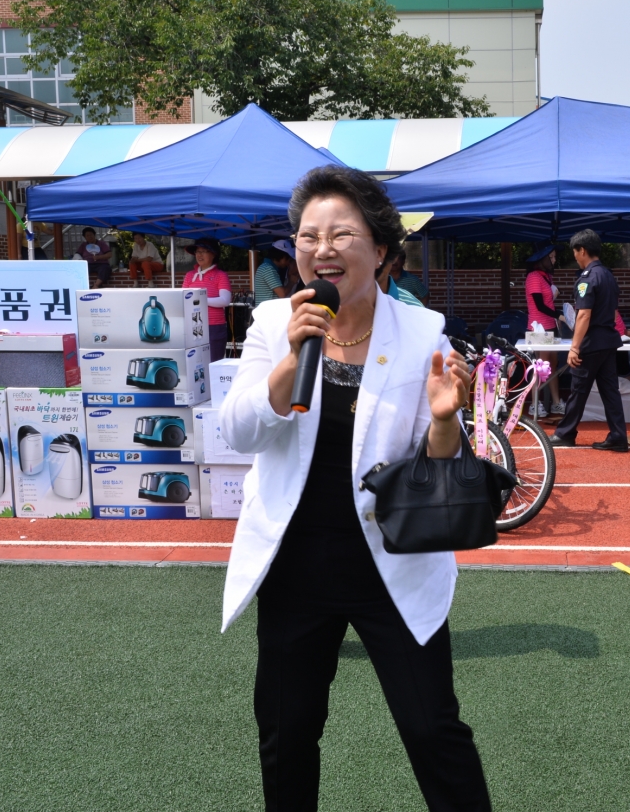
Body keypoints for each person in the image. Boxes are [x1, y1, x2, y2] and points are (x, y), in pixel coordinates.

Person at [218, 165, 491, 812]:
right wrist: (290, 357)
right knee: (287, 732)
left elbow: (439, 465)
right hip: (294, 566)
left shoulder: (421, 332)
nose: (322, 249)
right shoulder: (270, 324)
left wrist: (448, 416)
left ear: (382, 248)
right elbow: (237, 431)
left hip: (391, 561)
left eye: (341, 233)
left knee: (433, 728)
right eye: (308, 235)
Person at [549, 229, 628, 452]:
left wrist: (574, 347)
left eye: (575, 252)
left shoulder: (587, 278)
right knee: (610, 391)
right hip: (608, 341)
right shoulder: (607, 275)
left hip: (591, 342)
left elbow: (583, 314)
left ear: (582, 250)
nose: (575, 257)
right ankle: (618, 436)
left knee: (579, 389)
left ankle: (565, 433)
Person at [524, 244, 565, 418]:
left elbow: (547, 302)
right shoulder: (534, 277)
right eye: (552, 257)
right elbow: (539, 305)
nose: (554, 260)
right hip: (538, 327)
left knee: (552, 365)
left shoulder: (546, 277)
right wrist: (560, 316)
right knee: (541, 367)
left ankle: (556, 403)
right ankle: (534, 403)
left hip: (550, 326)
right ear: (543, 259)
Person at [183, 236, 233, 362]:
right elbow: (182, 298)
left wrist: (200, 300)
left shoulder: (221, 275)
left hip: (214, 326)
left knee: (213, 363)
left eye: (203, 251)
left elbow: (225, 300)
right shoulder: (189, 276)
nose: (199, 255)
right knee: (194, 364)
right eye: (197, 252)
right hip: (193, 325)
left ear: (213, 254)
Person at [254, 240, 294, 306]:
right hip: (267, 313)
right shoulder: (268, 269)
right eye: (288, 259)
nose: (288, 262)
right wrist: (292, 282)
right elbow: (282, 294)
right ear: (281, 256)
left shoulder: (267, 267)